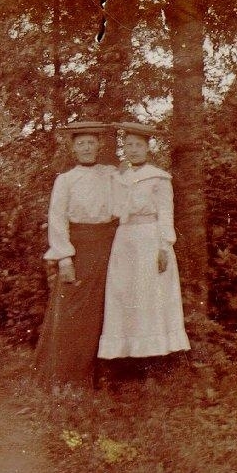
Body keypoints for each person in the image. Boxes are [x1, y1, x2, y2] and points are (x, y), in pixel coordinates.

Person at [34, 121, 117, 391]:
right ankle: (64, 377)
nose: (87, 148)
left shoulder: (110, 174)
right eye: (81, 144)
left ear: (99, 145)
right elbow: (57, 219)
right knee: (73, 309)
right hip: (78, 249)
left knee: (103, 309)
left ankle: (99, 376)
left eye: (91, 143)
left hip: (107, 247)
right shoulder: (66, 180)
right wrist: (65, 258)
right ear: (73, 148)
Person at [98, 122, 190, 362]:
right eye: (129, 145)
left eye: (138, 145)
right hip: (125, 239)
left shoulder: (158, 178)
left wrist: (164, 246)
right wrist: (118, 179)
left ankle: (154, 355)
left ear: (148, 148)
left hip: (150, 238)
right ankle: (126, 353)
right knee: (124, 292)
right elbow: (112, 209)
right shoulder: (118, 177)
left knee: (150, 293)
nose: (133, 150)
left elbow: (166, 213)